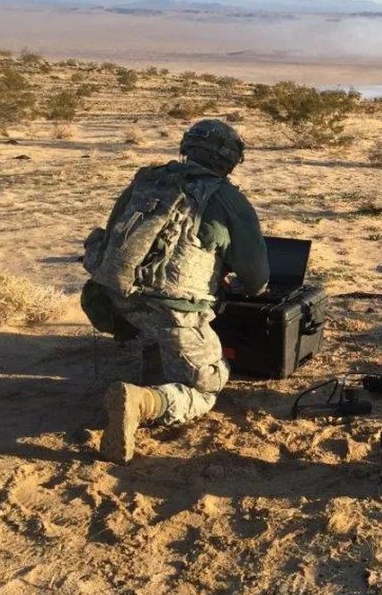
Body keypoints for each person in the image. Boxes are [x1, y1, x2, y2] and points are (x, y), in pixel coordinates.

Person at [80, 118, 269, 462]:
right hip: (175, 314)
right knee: (208, 386)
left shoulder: (147, 180)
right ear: (228, 162)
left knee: (161, 336)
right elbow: (257, 279)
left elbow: (113, 238)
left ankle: (155, 362)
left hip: (118, 302)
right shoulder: (226, 199)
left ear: (186, 148)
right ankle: (144, 403)